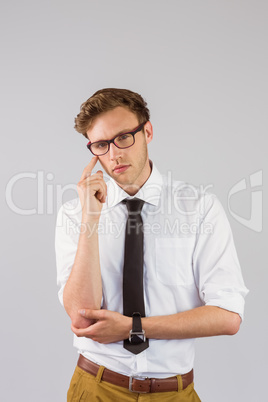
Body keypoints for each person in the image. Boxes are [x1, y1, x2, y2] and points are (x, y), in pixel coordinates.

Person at [55, 88, 248, 401]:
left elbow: (228, 315)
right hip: (95, 388)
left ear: (147, 131)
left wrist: (134, 327)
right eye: (101, 145)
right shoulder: (75, 213)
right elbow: (81, 317)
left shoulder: (199, 208)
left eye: (123, 137)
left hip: (173, 392)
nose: (114, 154)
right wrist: (90, 219)